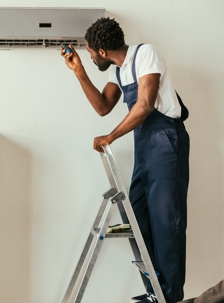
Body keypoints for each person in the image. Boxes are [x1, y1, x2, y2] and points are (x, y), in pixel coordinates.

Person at [61, 17, 189, 303]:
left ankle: (171, 297)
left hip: (166, 140)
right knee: (139, 218)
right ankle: (155, 291)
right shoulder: (118, 71)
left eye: (91, 54)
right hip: (144, 144)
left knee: (167, 220)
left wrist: (111, 137)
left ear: (102, 52)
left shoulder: (146, 54)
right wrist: (80, 72)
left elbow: (144, 105)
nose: (91, 57)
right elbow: (103, 107)